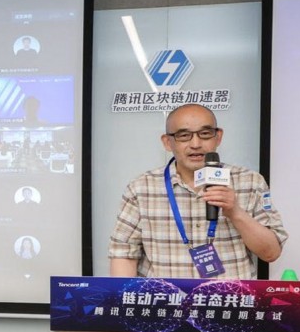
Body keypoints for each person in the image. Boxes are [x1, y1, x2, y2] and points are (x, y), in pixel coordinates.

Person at [108, 103, 288, 279]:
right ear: (168, 142)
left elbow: (271, 253)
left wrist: (235, 212)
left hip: (228, 297)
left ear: (218, 137)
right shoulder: (141, 188)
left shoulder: (250, 182)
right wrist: (123, 297)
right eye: (184, 135)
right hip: (167, 297)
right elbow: (123, 253)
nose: (195, 144)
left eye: (205, 134)